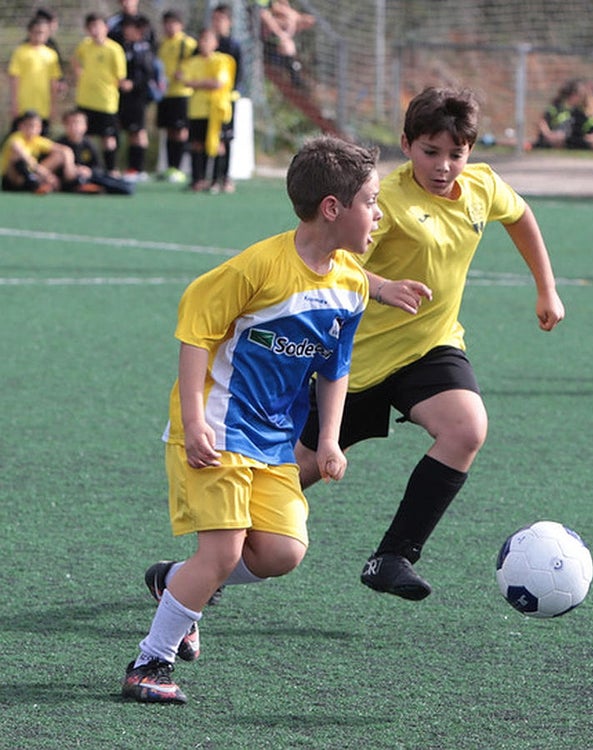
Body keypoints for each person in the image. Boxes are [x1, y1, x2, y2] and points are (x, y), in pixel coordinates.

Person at [119, 135, 375, 704]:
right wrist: (193, 420)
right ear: (332, 209)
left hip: (274, 440)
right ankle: (148, 664)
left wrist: (329, 439)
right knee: (223, 553)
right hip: (218, 425)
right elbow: (195, 329)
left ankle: (176, 584)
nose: (378, 216)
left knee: (282, 552)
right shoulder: (260, 267)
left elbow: (335, 368)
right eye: (371, 203)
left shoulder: (353, 283)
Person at [292, 86, 564, 602]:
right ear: (406, 144)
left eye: (456, 154)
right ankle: (216, 560)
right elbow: (329, 258)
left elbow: (521, 216)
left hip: (431, 346)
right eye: (430, 152)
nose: (443, 166)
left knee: (466, 429)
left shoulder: (482, 186)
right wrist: (383, 288)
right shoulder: (385, 200)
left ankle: (392, 556)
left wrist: (545, 288)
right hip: (359, 361)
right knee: (295, 474)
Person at [178, 28, 234, 193]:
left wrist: (197, 83)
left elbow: (218, 83)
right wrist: (205, 83)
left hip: (217, 109)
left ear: (215, 43)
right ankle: (198, 179)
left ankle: (217, 180)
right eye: (202, 40)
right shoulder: (192, 62)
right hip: (197, 109)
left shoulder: (222, 61)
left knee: (218, 145)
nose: (204, 44)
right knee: (196, 144)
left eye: (208, 40)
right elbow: (185, 81)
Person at [72, 13, 127, 175]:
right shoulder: (84, 46)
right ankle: (82, 169)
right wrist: (79, 72)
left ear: (106, 28)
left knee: (107, 138)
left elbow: (120, 77)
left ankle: (111, 169)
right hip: (85, 99)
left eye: (98, 26)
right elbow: (75, 60)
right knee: (81, 135)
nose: (95, 31)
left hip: (105, 101)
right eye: (91, 27)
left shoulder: (114, 49)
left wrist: (106, 87)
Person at [156, 10, 197, 183]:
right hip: (165, 92)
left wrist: (186, 75)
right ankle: (170, 167)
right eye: (167, 23)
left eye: (173, 23)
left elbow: (198, 63)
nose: (170, 27)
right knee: (169, 130)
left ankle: (180, 168)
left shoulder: (188, 44)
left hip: (182, 92)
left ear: (181, 25)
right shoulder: (162, 43)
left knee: (181, 131)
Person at [117, 15, 159, 180]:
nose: (126, 31)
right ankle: (128, 168)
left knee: (138, 132)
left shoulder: (144, 49)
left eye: (130, 28)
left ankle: (138, 168)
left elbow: (148, 74)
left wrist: (133, 84)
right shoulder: (124, 46)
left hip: (137, 98)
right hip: (123, 98)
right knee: (125, 132)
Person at [54, 108, 133, 194]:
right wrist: (75, 169)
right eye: (70, 123)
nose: (74, 127)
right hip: (69, 180)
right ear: (64, 125)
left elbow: (98, 167)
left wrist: (88, 171)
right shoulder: (59, 144)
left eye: (77, 123)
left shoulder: (88, 144)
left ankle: (92, 187)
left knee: (124, 187)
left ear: (85, 126)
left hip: (88, 177)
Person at [8, 15, 65, 134]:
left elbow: (53, 82)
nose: (39, 35)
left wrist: (53, 106)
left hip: (43, 107)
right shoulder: (20, 52)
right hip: (24, 105)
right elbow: (15, 79)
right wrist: (14, 103)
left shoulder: (51, 55)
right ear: (29, 32)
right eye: (36, 32)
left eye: (43, 32)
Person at [1, 109, 79, 194]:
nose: (33, 129)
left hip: (30, 174)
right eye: (29, 126)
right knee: (16, 157)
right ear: (21, 126)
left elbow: (65, 150)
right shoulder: (15, 139)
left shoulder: (37, 140)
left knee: (59, 156)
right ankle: (34, 183)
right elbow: (28, 160)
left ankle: (69, 184)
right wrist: (48, 175)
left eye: (36, 126)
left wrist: (71, 171)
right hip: (10, 180)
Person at [210, 3, 244, 193]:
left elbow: (239, 72)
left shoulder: (233, 45)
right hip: (209, 101)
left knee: (226, 138)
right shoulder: (209, 43)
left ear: (228, 22)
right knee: (212, 138)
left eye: (220, 19)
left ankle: (225, 177)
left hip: (226, 100)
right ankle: (213, 178)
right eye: (214, 19)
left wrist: (233, 91)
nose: (217, 23)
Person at [257, 0, 314, 88]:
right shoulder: (291, 15)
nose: (305, 24)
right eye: (306, 21)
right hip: (262, 23)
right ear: (304, 16)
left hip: (265, 39)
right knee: (288, 46)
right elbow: (272, 8)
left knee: (289, 49)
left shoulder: (295, 29)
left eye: (307, 25)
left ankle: (294, 74)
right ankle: (293, 72)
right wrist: (279, 33)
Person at [533, 79, 579, 149]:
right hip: (553, 138)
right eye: (578, 95)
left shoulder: (576, 110)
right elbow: (542, 122)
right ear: (572, 96)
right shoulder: (556, 108)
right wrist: (548, 134)